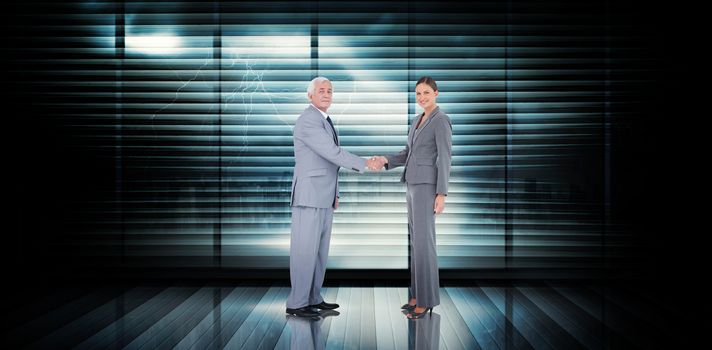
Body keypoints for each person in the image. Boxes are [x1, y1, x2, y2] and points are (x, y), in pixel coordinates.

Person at [287, 77, 382, 318]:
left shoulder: (325, 120)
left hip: (324, 195)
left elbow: (329, 163)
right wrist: (364, 163)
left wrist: (335, 193)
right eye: (321, 90)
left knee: (319, 252)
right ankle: (297, 303)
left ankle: (313, 298)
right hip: (309, 196)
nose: (327, 94)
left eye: (330, 90)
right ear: (310, 95)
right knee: (304, 251)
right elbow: (332, 153)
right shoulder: (309, 121)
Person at [371, 76, 452, 319]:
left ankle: (427, 301)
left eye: (426, 93)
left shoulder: (441, 120)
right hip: (412, 184)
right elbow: (408, 152)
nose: (422, 98)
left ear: (436, 93)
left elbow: (445, 157)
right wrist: (386, 160)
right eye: (418, 94)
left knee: (425, 244)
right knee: (416, 243)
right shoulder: (417, 120)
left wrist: (442, 193)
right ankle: (417, 294)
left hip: (427, 186)